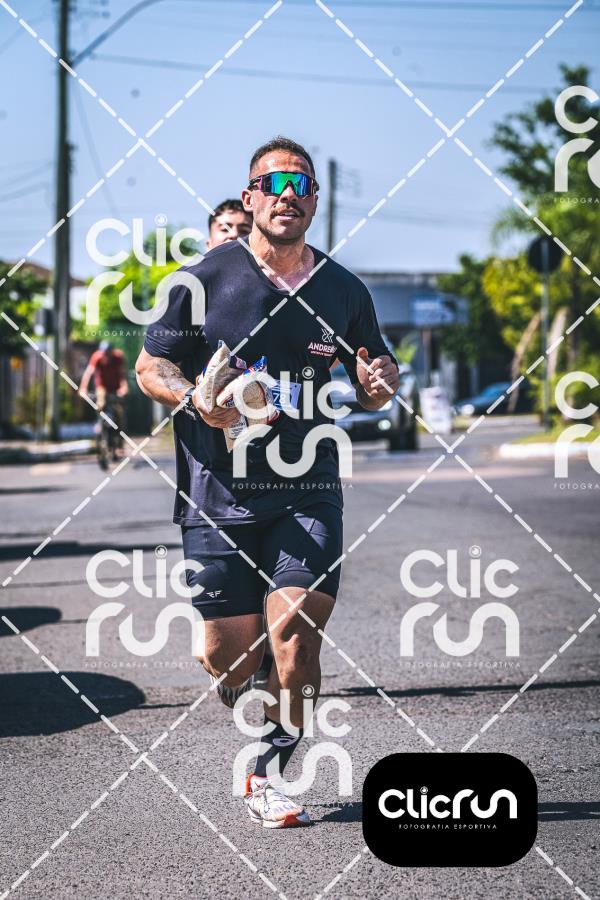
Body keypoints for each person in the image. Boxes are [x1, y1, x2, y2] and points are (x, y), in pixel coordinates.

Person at [135, 136, 399, 828]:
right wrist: (195, 400)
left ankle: (268, 767)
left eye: (301, 185)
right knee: (228, 658)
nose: (288, 195)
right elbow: (150, 368)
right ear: (250, 197)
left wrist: (378, 382)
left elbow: (376, 374)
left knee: (298, 635)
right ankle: (249, 676)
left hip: (308, 487)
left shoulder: (343, 290)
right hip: (218, 495)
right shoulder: (201, 282)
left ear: (315, 201)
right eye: (273, 184)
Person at [80, 340, 129, 440]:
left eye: (108, 354)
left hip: (115, 387)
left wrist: (124, 387)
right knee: (100, 402)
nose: (106, 356)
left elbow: (122, 375)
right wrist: (83, 388)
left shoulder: (118, 357)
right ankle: (99, 424)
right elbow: (88, 373)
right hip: (102, 387)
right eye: (104, 354)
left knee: (119, 410)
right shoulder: (97, 357)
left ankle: (120, 437)